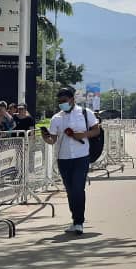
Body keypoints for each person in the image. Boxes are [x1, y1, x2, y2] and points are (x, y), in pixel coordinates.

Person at [42, 87, 100, 235]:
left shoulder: (85, 113)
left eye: (65, 101)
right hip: (64, 159)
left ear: (72, 100)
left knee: (78, 189)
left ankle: (79, 221)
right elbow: (53, 140)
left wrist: (84, 134)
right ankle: (75, 220)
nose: (62, 104)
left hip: (81, 157)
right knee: (70, 191)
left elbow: (96, 130)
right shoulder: (56, 118)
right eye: (60, 102)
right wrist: (45, 137)